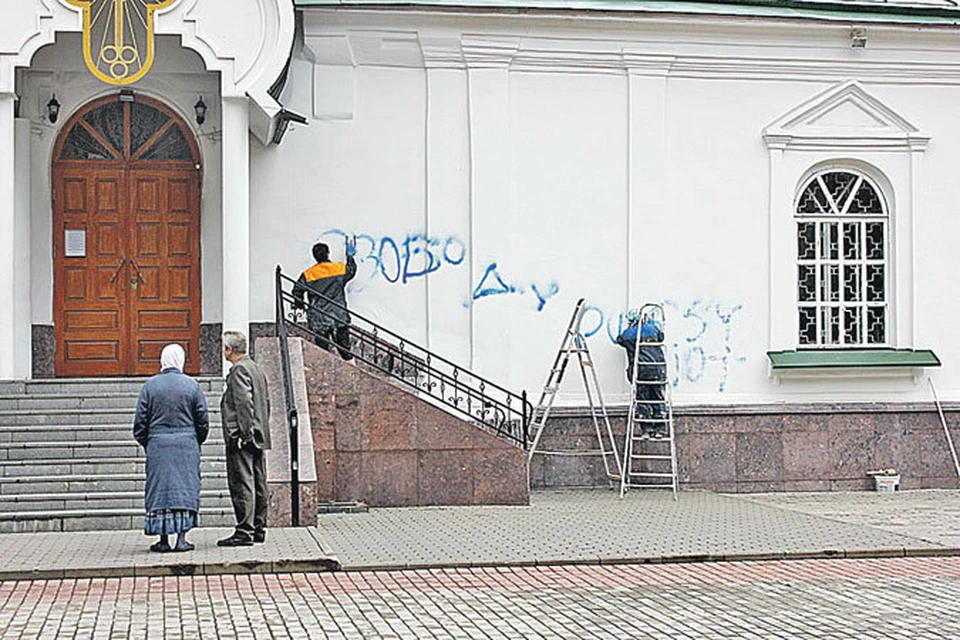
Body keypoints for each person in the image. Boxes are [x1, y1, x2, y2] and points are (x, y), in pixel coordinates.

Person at [133, 344, 209, 552]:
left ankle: (163, 539)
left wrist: (148, 441)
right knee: (185, 489)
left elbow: (140, 421)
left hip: (158, 445)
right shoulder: (192, 385)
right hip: (186, 445)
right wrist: (195, 440)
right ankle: (182, 539)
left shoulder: (150, 386)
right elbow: (202, 419)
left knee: (160, 490)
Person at [218, 330, 272, 547]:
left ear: (229, 350)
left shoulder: (239, 370)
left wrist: (244, 433)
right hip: (258, 434)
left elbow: (243, 403)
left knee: (243, 482)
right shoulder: (254, 368)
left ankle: (244, 531)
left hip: (244, 436)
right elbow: (265, 402)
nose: (222, 351)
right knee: (258, 481)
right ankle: (258, 528)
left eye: (223, 347)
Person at [293, 239, 358, 360]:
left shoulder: (308, 274)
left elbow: (297, 291)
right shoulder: (338, 269)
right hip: (339, 314)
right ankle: (350, 367)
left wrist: (301, 305)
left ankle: (325, 369)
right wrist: (350, 256)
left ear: (315, 257)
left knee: (322, 349)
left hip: (319, 316)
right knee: (344, 347)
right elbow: (352, 270)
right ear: (328, 253)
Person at [616, 311, 667, 438]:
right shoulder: (653, 329)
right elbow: (661, 336)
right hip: (657, 369)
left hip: (641, 371)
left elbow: (620, 340)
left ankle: (647, 429)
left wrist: (630, 328)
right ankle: (660, 429)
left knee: (642, 399)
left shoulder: (629, 334)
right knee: (657, 397)